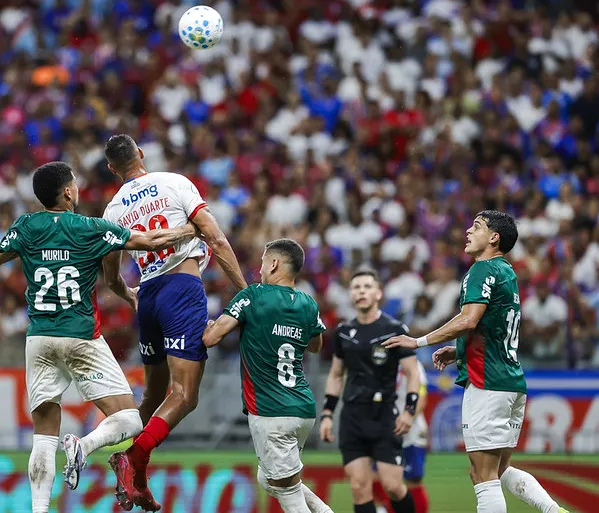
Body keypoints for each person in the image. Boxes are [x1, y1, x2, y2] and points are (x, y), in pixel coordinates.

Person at [0, 161, 200, 513]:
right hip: (80, 336)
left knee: (43, 433)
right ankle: (84, 446)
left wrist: (35, 249)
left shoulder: (26, 225)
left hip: (39, 337)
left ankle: (39, 509)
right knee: (131, 420)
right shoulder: (90, 228)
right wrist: (190, 231)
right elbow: (148, 240)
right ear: (68, 192)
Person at [384, 210, 569, 513]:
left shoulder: (482, 269)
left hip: (488, 383)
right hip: (511, 381)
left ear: (494, 238)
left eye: (477, 227)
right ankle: (553, 510)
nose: (468, 231)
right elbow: (493, 327)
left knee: (482, 476)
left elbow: (469, 320)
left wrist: (418, 341)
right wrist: (459, 351)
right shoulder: (507, 272)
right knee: (497, 470)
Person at [101, 134, 247, 511]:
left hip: (147, 295)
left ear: (112, 169)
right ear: (142, 155)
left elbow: (113, 277)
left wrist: (130, 296)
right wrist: (246, 293)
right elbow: (215, 239)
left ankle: (136, 475)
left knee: (154, 393)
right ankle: (133, 458)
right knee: (185, 395)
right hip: (181, 288)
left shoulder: (113, 210)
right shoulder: (174, 182)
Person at [202, 239, 332, 513]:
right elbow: (316, 346)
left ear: (273, 263)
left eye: (263, 261)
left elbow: (211, 339)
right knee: (269, 478)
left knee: (290, 496)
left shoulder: (253, 296)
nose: (260, 268)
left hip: (270, 412)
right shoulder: (308, 304)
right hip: (303, 410)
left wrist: (212, 324)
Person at [320, 267, 419, 513]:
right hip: (352, 417)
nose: (361, 291)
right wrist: (327, 414)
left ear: (378, 294)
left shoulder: (395, 329)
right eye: (356, 287)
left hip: (384, 416)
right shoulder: (343, 332)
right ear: (351, 295)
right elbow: (335, 375)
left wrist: (409, 411)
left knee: (393, 486)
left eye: (366, 287)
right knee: (359, 486)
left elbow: (412, 373)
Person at [373, 361, 429, 513]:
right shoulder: (378, 361)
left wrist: (407, 418)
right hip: (384, 428)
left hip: (411, 431)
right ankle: (381, 508)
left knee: (413, 480)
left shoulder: (413, 363)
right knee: (377, 474)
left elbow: (422, 397)